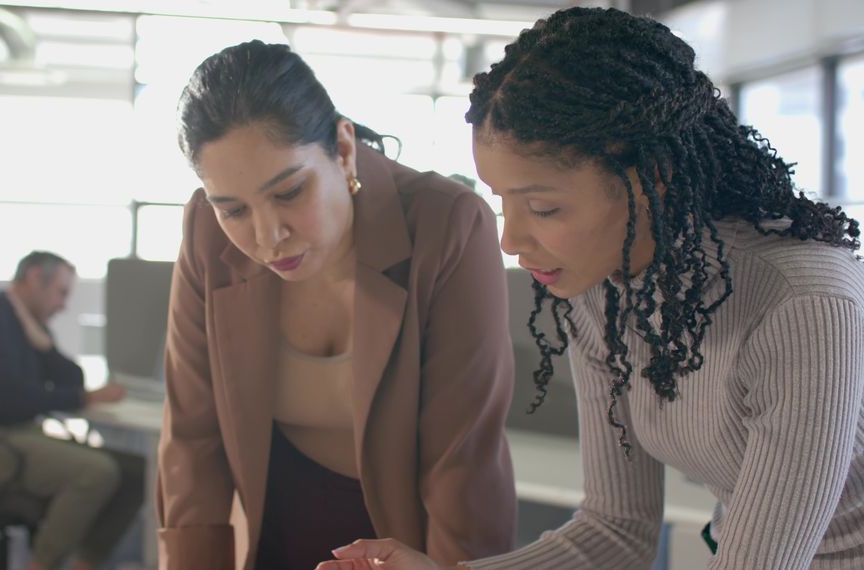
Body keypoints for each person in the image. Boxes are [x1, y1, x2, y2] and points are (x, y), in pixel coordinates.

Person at [319, 7, 864, 570]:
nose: (511, 239)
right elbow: (617, 528)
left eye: (544, 207)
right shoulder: (601, 285)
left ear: (650, 179)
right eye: (502, 200)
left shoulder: (802, 301)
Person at [157, 40, 518, 570]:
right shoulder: (205, 232)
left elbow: (461, 459)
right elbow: (192, 436)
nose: (267, 236)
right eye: (233, 210)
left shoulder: (447, 226)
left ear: (343, 149)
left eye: (288, 193)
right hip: (269, 532)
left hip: (405, 546)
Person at [0, 250, 145, 570]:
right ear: (33, 279)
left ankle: (84, 564)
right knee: (95, 472)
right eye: (60, 292)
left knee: (137, 471)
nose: (63, 305)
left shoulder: (22, 321)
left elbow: (72, 377)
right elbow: (10, 399)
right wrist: (82, 398)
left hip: (14, 436)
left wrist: (44, 345)